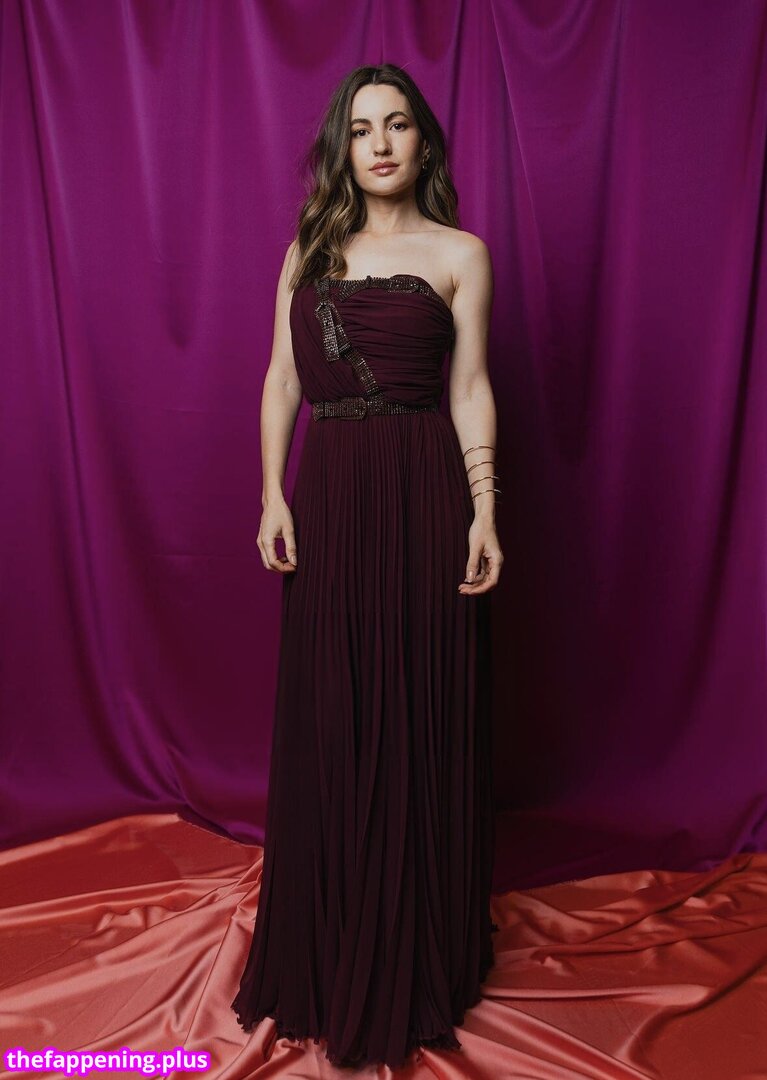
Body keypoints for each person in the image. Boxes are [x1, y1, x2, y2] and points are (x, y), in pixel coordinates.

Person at [231, 62, 503, 1070]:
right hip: (334, 493)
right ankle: (331, 938)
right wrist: (272, 493)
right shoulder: (308, 249)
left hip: (424, 493)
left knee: (418, 703)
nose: (379, 144)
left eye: (396, 126)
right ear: (341, 148)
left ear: (422, 143)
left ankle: (418, 947)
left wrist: (484, 507)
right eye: (359, 129)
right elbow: (280, 378)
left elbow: (469, 386)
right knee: (334, 706)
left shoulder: (461, 253)